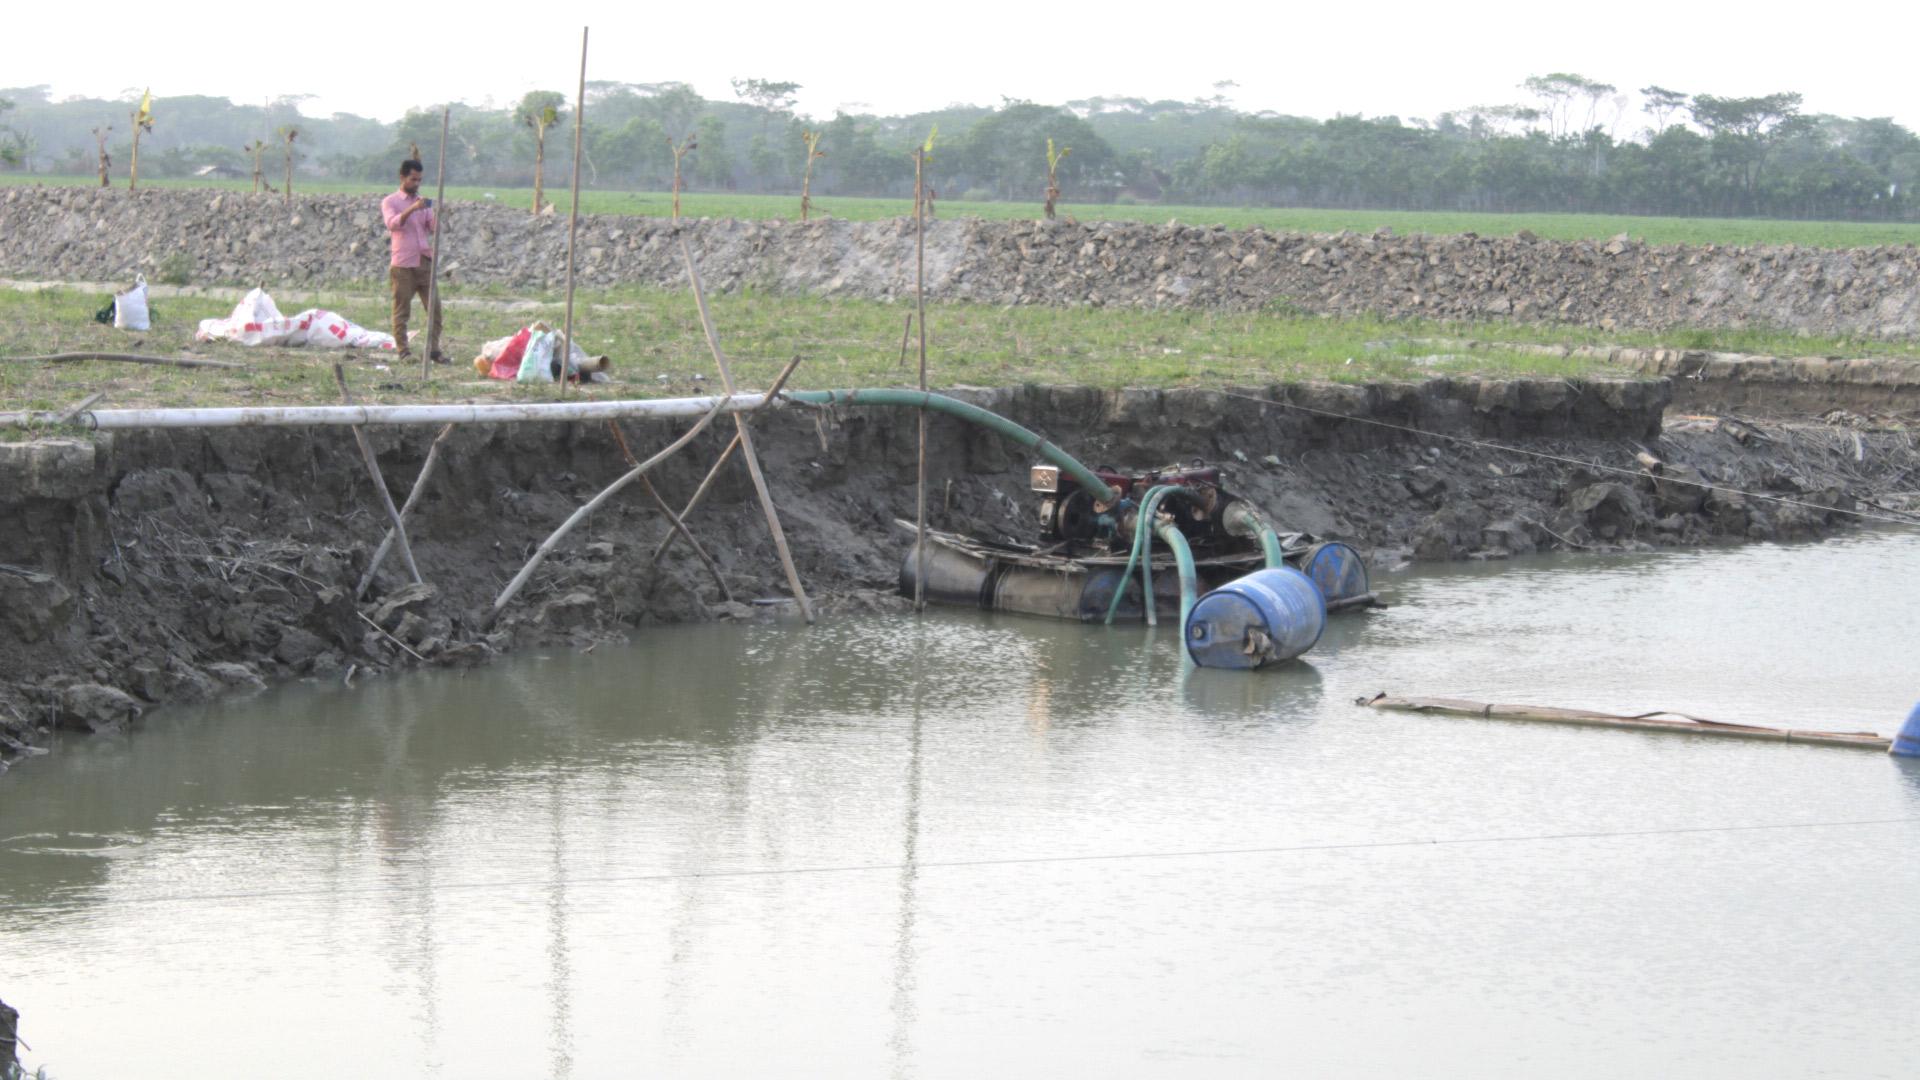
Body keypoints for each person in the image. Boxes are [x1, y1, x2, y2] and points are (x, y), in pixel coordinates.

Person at [380, 159, 445, 362]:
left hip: (424, 262)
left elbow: (432, 228)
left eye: (419, 180)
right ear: (403, 178)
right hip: (403, 265)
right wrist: (412, 209)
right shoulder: (390, 202)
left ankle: (434, 350)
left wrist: (436, 215)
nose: (416, 184)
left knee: (434, 310)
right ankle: (404, 352)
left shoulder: (423, 203)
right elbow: (393, 224)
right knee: (402, 310)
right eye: (413, 179)